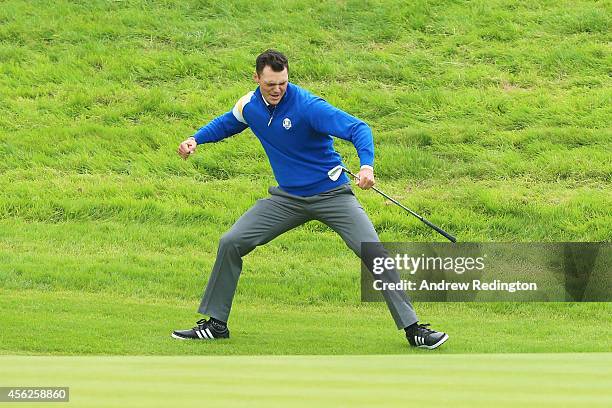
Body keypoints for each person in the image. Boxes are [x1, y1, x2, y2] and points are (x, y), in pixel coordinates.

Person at [172, 49, 448, 349]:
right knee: (231, 241)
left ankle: (414, 329)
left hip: (332, 194)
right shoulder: (249, 105)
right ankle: (215, 324)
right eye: (270, 84)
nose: (277, 89)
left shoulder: (307, 106)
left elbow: (358, 128)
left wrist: (366, 165)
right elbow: (228, 123)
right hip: (287, 198)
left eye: (282, 83)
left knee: (373, 253)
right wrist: (195, 139)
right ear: (256, 78)